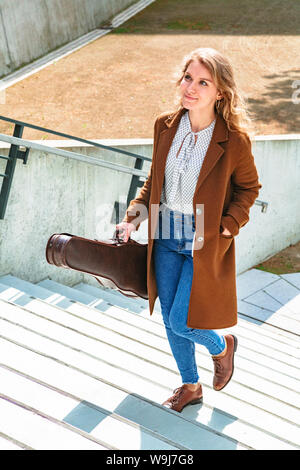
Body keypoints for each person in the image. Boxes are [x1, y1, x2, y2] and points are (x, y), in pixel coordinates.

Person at [116, 47, 262, 412]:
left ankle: (222, 346)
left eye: (202, 82)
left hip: (203, 239)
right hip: (165, 234)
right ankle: (190, 385)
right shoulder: (165, 125)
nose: (191, 88)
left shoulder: (234, 141)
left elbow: (249, 189)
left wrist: (229, 227)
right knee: (169, 318)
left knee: (182, 320)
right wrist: (132, 216)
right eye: (187, 78)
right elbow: (154, 182)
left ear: (220, 93)